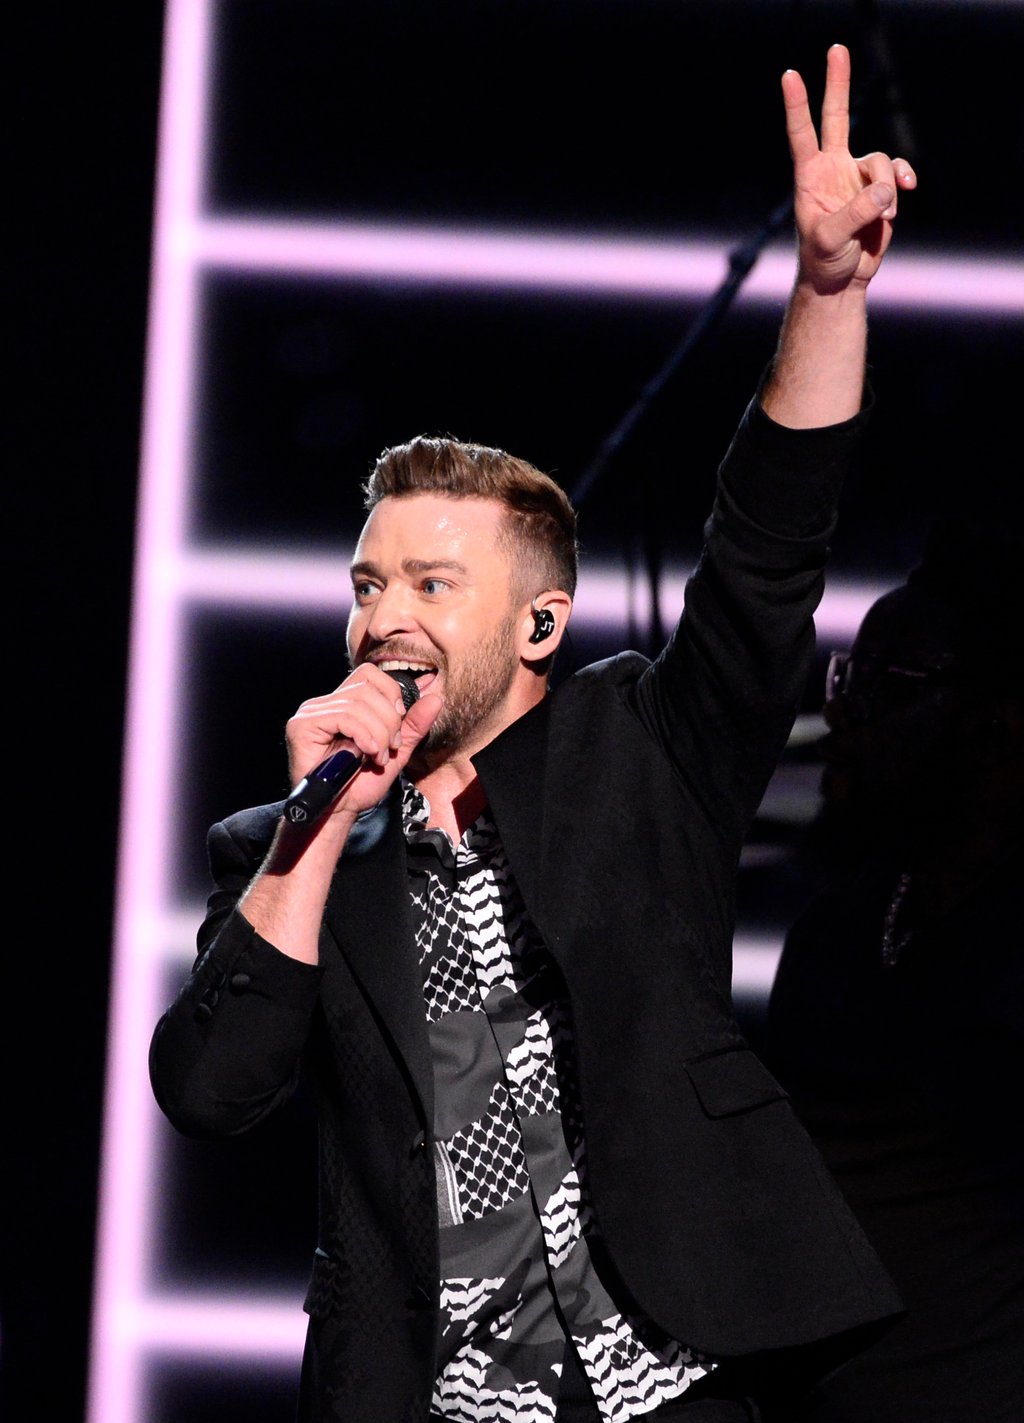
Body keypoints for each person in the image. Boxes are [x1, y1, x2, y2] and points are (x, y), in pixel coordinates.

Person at [150, 45, 916, 1423]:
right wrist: (319, 825)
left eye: (434, 585)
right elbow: (212, 1086)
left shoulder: (641, 746)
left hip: (683, 1373)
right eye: (369, 583)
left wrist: (824, 292)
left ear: (542, 626)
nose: (386, 615)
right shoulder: (286, 846)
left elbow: (765, 553)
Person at [762, 515, 1024, 1423]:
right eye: (848, 675)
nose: (842, 710)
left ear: (998, 722)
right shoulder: (838, 930)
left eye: (887, 683)